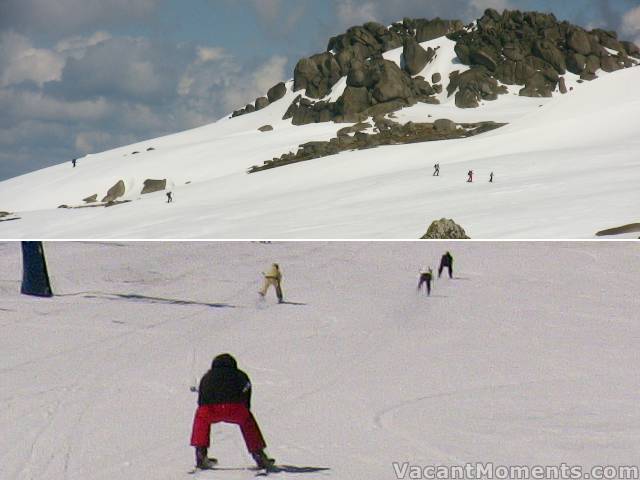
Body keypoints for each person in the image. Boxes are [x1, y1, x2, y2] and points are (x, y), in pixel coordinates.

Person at [190, 354, 274, 470]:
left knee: (201, 418)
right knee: (248, 422)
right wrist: (245, 409)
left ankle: (201, 453)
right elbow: (247, 391)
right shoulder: (240, 375)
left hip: (210, 410)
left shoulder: (207, 377)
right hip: (235, 408)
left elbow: (201, 398)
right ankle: (259, 454)